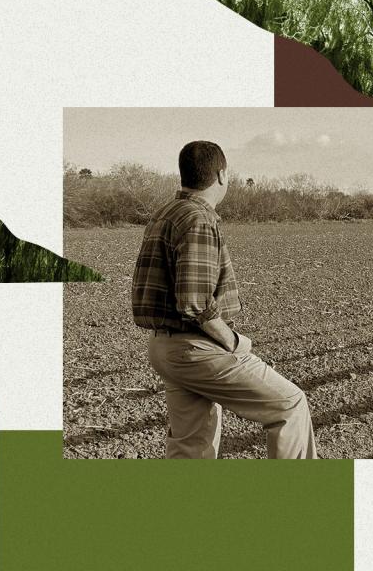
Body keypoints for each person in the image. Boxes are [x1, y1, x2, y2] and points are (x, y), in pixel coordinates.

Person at [131, 140, 317, 459]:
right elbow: (195, 301)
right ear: (221, 175)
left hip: (165, 347)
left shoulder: (167, 212)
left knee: (191, 443)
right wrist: (231, 341)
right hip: (196, 348)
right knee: (290, 405)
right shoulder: (199, 218)